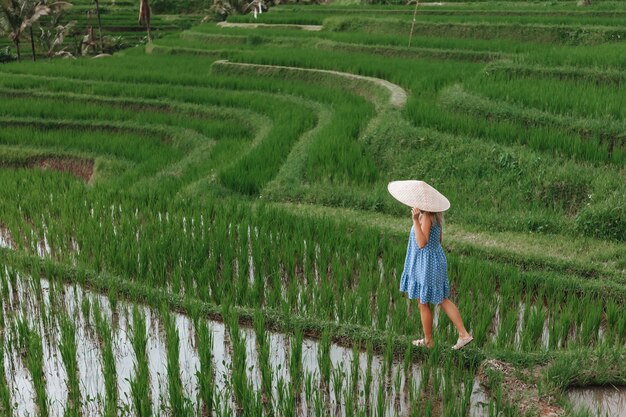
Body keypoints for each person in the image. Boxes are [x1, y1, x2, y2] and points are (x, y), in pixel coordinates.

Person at [388, 180, 472, 350]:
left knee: (424, 302)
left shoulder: (425, 216)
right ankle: (457, 335)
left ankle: (440, 339)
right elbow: (438, 240)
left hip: (426, 264)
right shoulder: (436, 215)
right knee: (438, 299)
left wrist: (414, 221)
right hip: (434, 260)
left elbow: (421, 243)